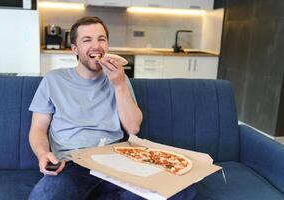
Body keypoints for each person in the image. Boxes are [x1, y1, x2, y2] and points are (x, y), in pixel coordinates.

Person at [28, 16, 196, 200]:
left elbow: (133, 128)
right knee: (44, 197)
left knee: (181, 191)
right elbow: (38, 129)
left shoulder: (119, 79)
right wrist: (43, 154)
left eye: (101, 39)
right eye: (87, 40)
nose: (96, 46)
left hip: (116, 161)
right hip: (71, 163)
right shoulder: (54, 79)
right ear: (74, 48)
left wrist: (119, 84)